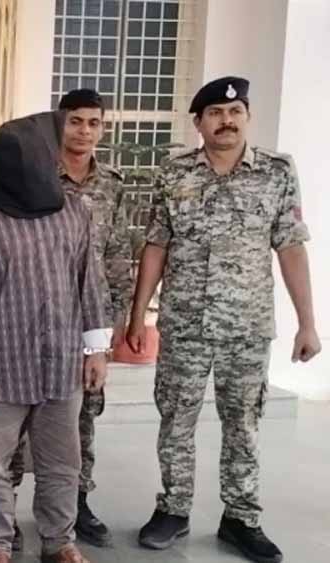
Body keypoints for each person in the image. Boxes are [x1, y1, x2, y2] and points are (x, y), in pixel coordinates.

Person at [130, 76, 320, 563]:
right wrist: (137, 315)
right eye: (215, 113)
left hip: (247, 327)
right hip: (184, 324)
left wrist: (307, 322)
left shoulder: (276, 172)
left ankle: (241, 518)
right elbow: (157, 245)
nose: (227, 120)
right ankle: (173, 509)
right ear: (199, 123)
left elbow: (291, 247)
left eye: (236, 112)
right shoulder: (174, 174)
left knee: (244, 425)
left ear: (247, 118)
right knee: (176, 421)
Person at [0, 111, 111, 563]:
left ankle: (59, 542)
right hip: (0, 366)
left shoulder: (73, 212)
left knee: (62, 460)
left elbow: (90, 284)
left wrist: (96, 350)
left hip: (62, 362)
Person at [7, 88, 132, 549]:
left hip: (88, 322)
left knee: (82, 417)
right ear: (59, 123)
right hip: (33, 315)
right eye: (75, 121)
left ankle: (75, 504)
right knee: (18, 416)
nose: (84, 131)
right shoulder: (31, 175)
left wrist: (117, 322)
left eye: (94, 123)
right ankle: (6, 511)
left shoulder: (113, 184)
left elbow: (118, 254)